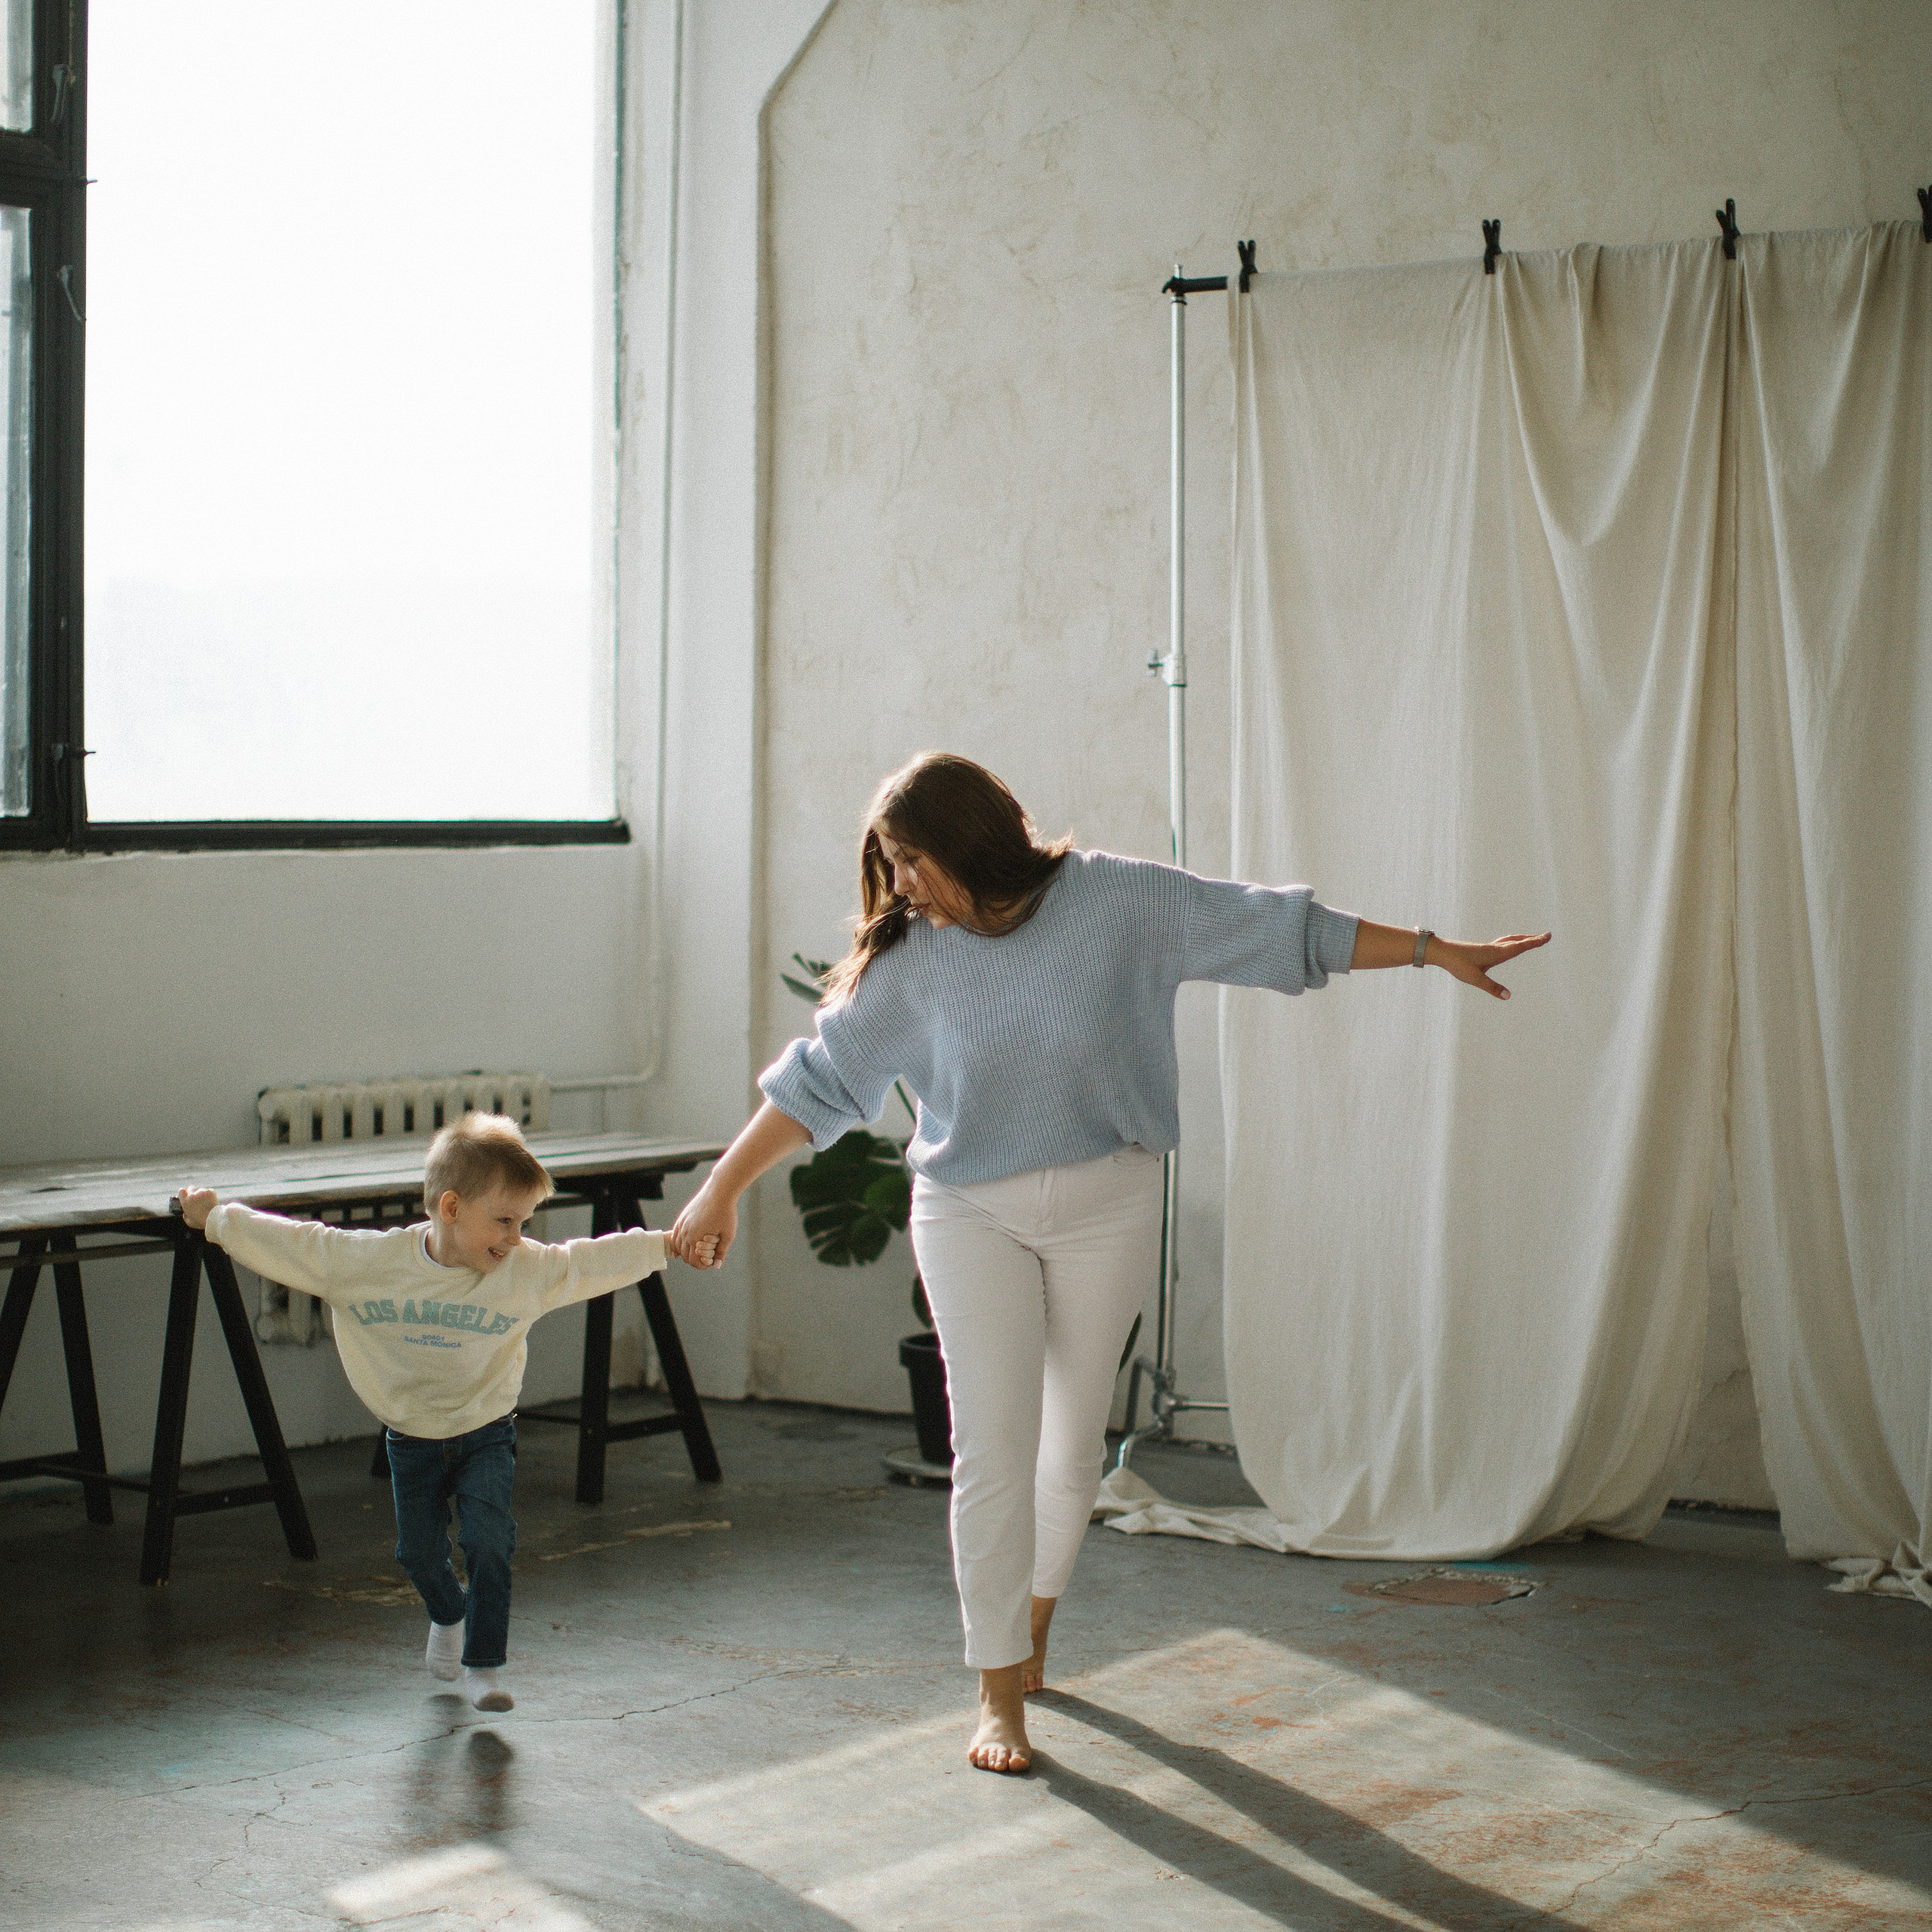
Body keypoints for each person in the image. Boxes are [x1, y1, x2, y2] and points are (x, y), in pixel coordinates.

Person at [672, 750, 1549, 1774]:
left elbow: (1274, 928)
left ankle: (1033, 1622)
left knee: (1071, 1447)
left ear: (970, 841)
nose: (899, 884)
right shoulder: (908, 959)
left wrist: (1435, 951)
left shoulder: (1116, 902)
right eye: (889, 863)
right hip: (968, 1211)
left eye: (912, 860)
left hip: (1108, 1203)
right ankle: (998, 1694)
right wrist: (721, 1188)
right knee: (991, 1448)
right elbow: (820, 1083)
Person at [177, 1112, 713, 1715]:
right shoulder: (368, 1262)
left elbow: (587, 1261)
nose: (515, 1238)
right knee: (418, 1555)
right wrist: (215, 1219)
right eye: (504, 1221)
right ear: (452, 1207)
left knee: (489, 1540)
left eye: (524, 1223)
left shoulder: (524, 1270)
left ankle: (484, 1665)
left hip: (486, 1431)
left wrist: (668, 1244)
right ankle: (448, 1612)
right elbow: (292, 1244)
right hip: (411, 1437)